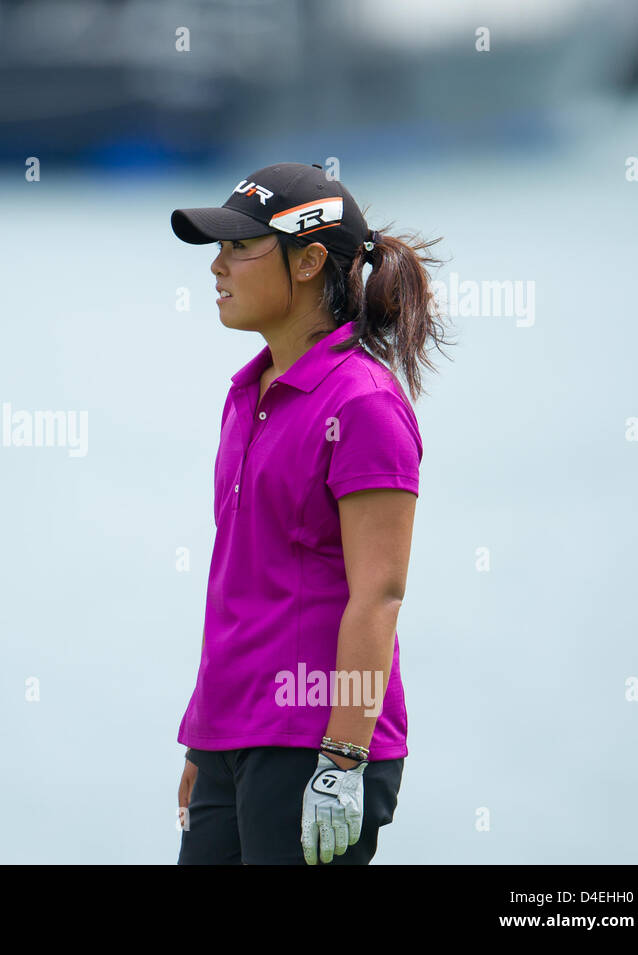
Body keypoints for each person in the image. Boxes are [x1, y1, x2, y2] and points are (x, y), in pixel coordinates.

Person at [169, 162, 450, 865]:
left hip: (318, 746)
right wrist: (208, 735)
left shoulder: (364, 405)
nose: (216, 267)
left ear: (310, 261)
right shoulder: (247, 393)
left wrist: (344, 761)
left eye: (239, 247)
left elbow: (378, 595)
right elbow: (240, 580)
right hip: (235, 738)